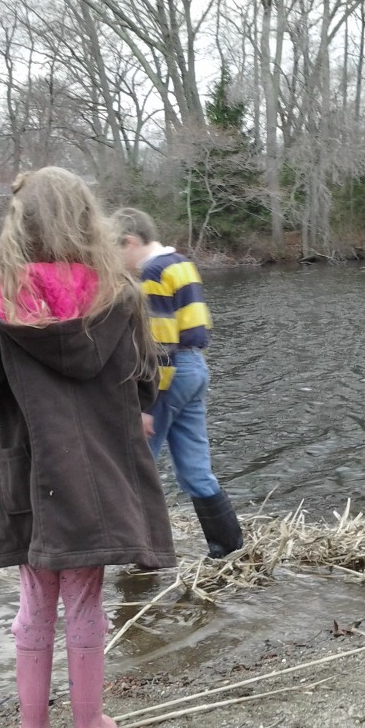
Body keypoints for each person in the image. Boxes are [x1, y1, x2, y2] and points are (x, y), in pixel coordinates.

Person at [0, 168, 176, 728]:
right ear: (87, 221)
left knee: (34, 603)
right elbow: (147, 383)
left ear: (18, 226)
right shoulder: (119, 295)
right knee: (84, 601)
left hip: (27, 473)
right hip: (97, 477)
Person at [113, 207, 244, 559]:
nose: (115, 261)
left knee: (138, 465)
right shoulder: (180, 262)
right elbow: (196, 324)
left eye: (116, 252)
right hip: (195, 366)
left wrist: (147, 406)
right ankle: (229, 549)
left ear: (130, 241)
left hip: (170, 374)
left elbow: (160, 343)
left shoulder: (152, 272)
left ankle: (145, 554)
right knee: (196, 469)